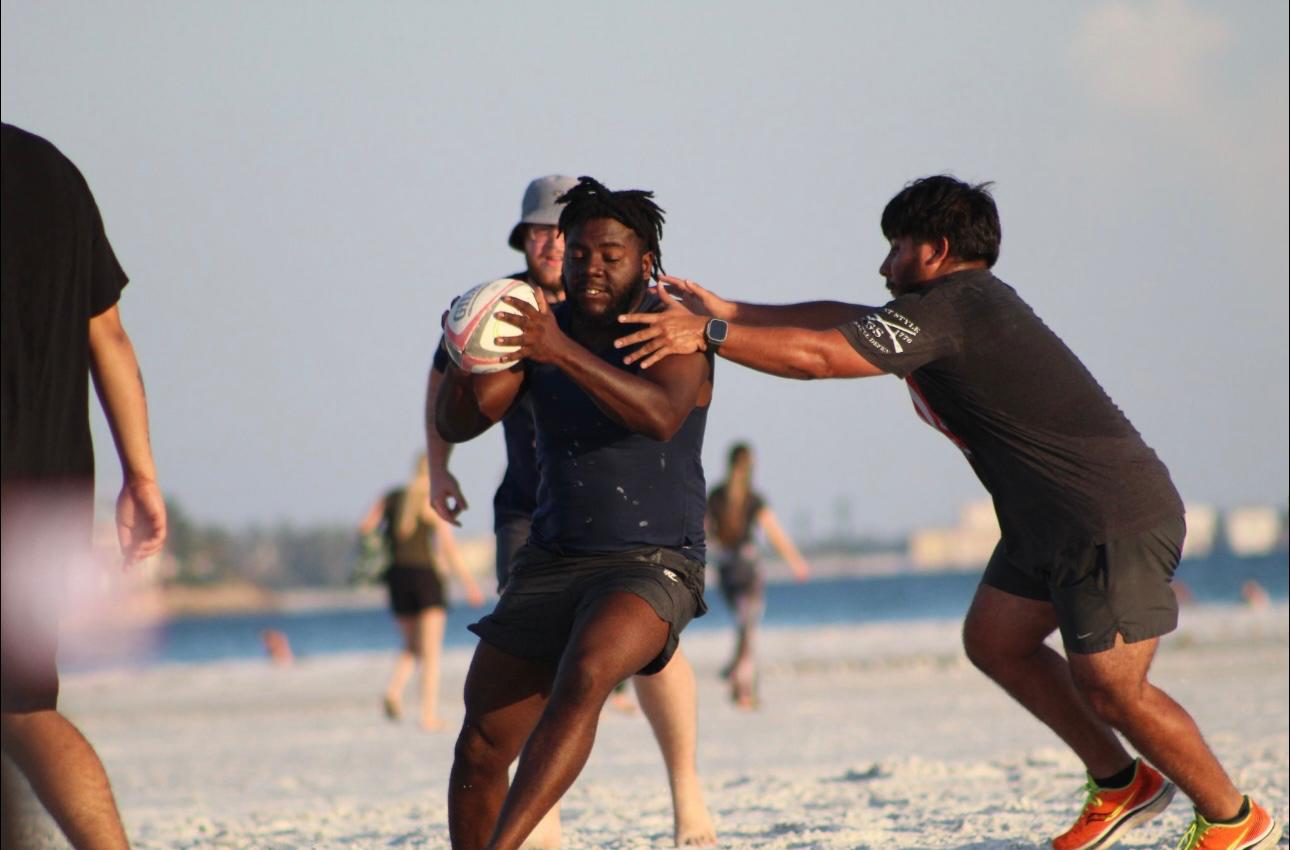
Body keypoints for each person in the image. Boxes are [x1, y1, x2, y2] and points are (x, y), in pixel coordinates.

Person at [614, 175, 1281, 850]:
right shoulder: (945, 312)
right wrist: (734, 307)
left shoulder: (959, 306)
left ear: (934, 249)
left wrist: (713, 331)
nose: (883, 265)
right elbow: (838, 319)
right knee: (996, 641)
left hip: (1105, 517)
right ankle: (1121, 784)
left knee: (1114, 689)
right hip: (1042, 526)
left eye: (895, 247)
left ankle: (1232, 818)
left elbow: (821, 358)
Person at [426, 175, 715, 847]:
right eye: (579, 251)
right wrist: (465, 357)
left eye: (610, 253)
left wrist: (561, 353)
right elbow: (465, 421)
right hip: (552, 557)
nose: (591, 265)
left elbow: (662, 415)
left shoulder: (672, 327)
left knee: (585, 675)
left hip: (654, 561)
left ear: (645, 260)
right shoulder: (538, 326)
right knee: (480, 743)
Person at [1, 123, 168, 850]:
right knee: (23, 704)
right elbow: (110, 336)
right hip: (49, 493)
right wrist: (141, 476)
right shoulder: (51, 171)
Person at [359, 453, 484, 731]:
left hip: (397, 578)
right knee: (430, 653)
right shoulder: (432, 498)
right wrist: (469, 584)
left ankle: (394, 690)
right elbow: (448, 547)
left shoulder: (391, 496)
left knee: (411, 646)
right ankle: (428, 715)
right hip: (426, 578)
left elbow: (365, 526)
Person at [706, 442, 809, 709]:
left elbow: (703, 533)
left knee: (744, 626)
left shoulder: (716, 496)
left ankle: (738, 679)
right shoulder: (753, 498)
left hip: (726, 568)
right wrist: (795, 561)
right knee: (748, 629)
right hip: (749, 568)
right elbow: (774, 533)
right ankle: (744, 690)